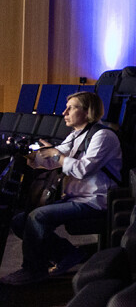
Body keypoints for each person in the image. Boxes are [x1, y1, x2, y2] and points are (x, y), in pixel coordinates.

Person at [1, 92, 122, 285]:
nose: (64, 112)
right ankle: (67, 253)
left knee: (37, 216)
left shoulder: (103, 136)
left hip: (95, 201)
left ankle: (33, 270)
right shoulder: (76, 135)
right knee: (19, 221)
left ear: (87, 111)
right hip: (76, 197)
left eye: (71, 108)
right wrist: (32, 157)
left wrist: (55, 154)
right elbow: (53, 161)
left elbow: (82, 169)